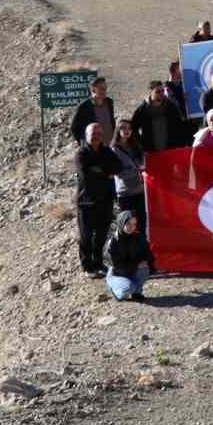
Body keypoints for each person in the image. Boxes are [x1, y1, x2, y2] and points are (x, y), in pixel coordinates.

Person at [75, 122, 122, 276]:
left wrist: (101, 169)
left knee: (101, 234)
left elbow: (118, 167)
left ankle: (98, 263)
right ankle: (87, 266)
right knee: (86, 236)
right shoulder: (81, 153)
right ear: (87, 135)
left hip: (106, 200)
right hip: (86, 202)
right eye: (93, 134)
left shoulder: (106, 150)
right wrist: (106, 171)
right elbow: (86, 175)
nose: (96, 137)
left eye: (99, 134)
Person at [103, 210, 154, 302]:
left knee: (144, 269)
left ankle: (137, 293)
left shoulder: (138, 237)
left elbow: (148, 254)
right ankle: (115, 289)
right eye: (129, 224)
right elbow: (117, 266)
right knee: (127, 289)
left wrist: (146, 261)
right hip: (116, 273)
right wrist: (136, 265)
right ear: (122, 223)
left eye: (134, 224)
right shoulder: (113, 242)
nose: (132, 227)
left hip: (131, 271)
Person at [110, 118, 147, 237]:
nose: (127, 131)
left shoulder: (135, 145)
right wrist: (137, 170)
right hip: (125, 193)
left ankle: (141, 248)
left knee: (142, 222)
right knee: (127, 225)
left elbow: (143, 162)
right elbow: (118, 172)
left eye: (129, 128)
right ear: (118, 130)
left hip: (140, 190)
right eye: (123, 128)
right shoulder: (114, 150)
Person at [131, 81, 187, 152]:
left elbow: (179, 126)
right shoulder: (142, 110)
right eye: (158, 92)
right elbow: (133, 129)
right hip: (151, 152)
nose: (161, 94)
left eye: (162, 91)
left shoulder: (171, 107)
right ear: (150, 92)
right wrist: (142, 146)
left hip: (170, 150)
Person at [69, 76, 115, 144]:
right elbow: (74, 128)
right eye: (101, 88)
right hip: (94, 146)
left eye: (105, 88)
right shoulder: (84, 107)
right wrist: (84, 143)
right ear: (93, 90)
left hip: (109, 144)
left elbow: (111, 121)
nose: (104, 90)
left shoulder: (109, 102)